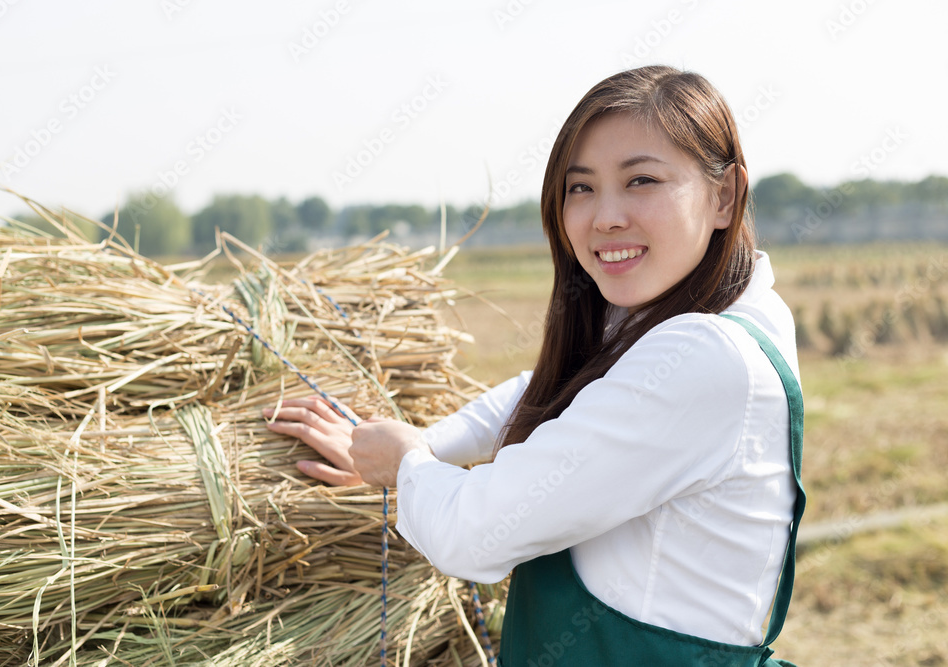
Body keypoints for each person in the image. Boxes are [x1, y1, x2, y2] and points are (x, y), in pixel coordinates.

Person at [264, 65, 804, 666]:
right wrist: (431, 441)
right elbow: (560, 395)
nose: (606, 217)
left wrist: (404, 466)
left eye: (642, 180)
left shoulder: (705, 358)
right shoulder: (724, 313)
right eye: (581, 188)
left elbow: (478, 533)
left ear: (724, 195)